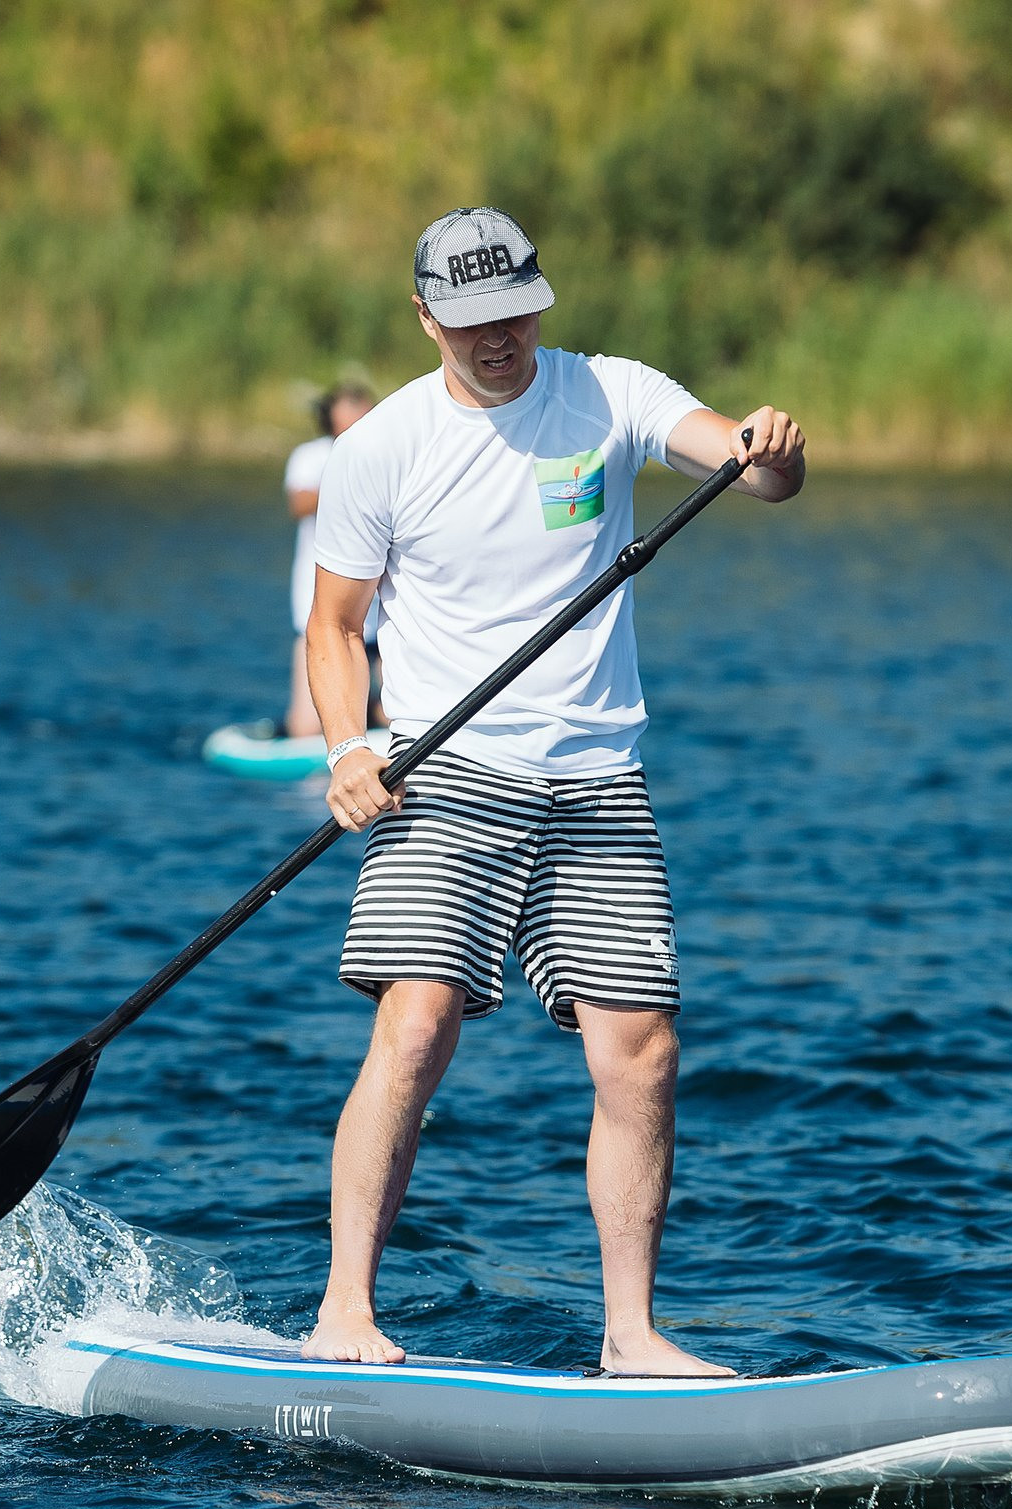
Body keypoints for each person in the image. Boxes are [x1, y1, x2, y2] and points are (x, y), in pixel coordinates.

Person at [299, 207, 806, 1373]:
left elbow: (753, 470)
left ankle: (630, 1336)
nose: (497, 337)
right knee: (416, 1023)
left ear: (541, 299)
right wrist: (344, 751)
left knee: (643, 1051)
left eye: (515, 311)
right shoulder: (381, 445)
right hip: (446, 770)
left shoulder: (608, 393)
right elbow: (334, 628)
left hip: (597, 782)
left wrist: (770, 447)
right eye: (470, 319)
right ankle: (343, 1312)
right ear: (424, 316)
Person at [283, 383, 379, 738]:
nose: (360, 414)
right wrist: (351, 480)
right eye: (350, 406)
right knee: (307, 726)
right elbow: (300, 504)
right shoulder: (311, 456)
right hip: (321, 608)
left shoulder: (387, 450)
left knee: (391, 712)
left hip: (382, 610)